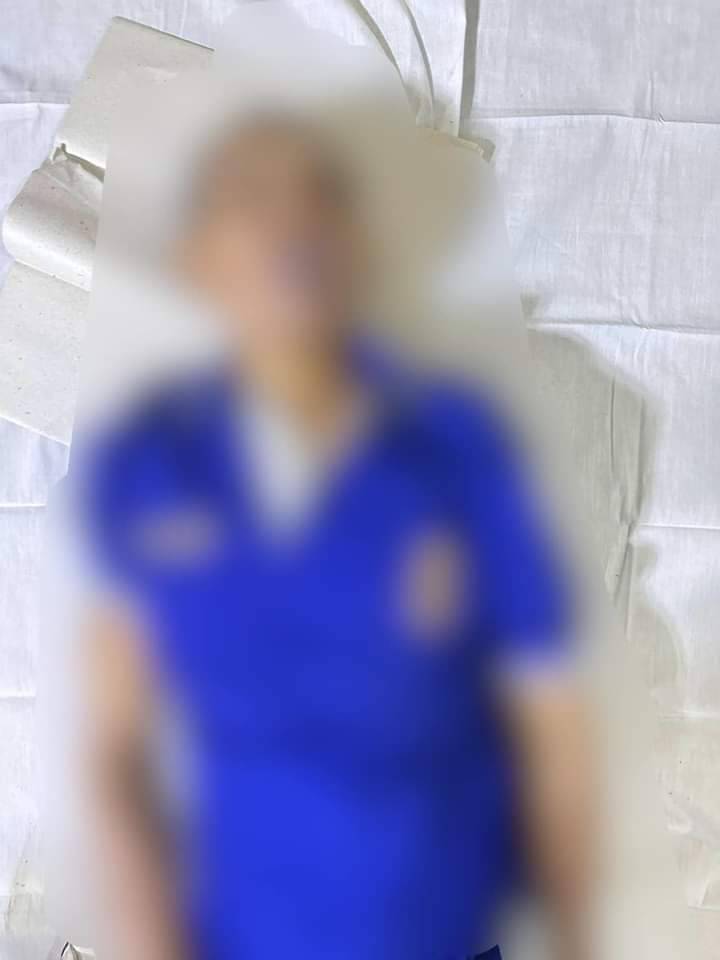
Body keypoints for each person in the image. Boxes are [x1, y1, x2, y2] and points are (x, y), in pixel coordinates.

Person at [76, 114, 595, 960]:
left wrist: (576, 938)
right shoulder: (150, 464)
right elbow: (114, 753)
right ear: (198, 259)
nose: (292, 222)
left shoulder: (456, 444)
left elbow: (550, 719)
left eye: (319, 196)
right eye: (252, 196)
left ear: (358, 246)